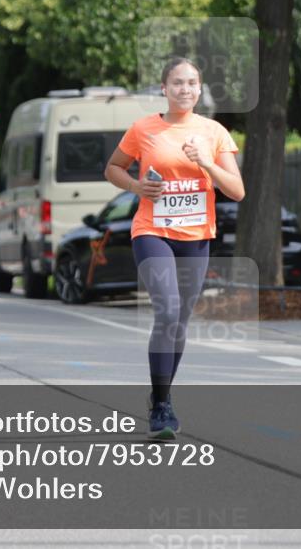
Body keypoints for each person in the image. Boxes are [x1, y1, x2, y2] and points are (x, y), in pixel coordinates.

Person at [104, 58, 244, 439]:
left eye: (192, 83)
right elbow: (113, 168)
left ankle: (159, 393)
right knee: (167, 310)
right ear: (164, 89)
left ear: (200, 89)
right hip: (153, 231)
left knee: (180, 321)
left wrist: (207, 165)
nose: (185, 89)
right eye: (177, 83)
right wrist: (136, 187)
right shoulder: (144, 128)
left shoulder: (214, 132)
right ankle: (163, 409)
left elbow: (237, 190)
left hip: (197, 236)